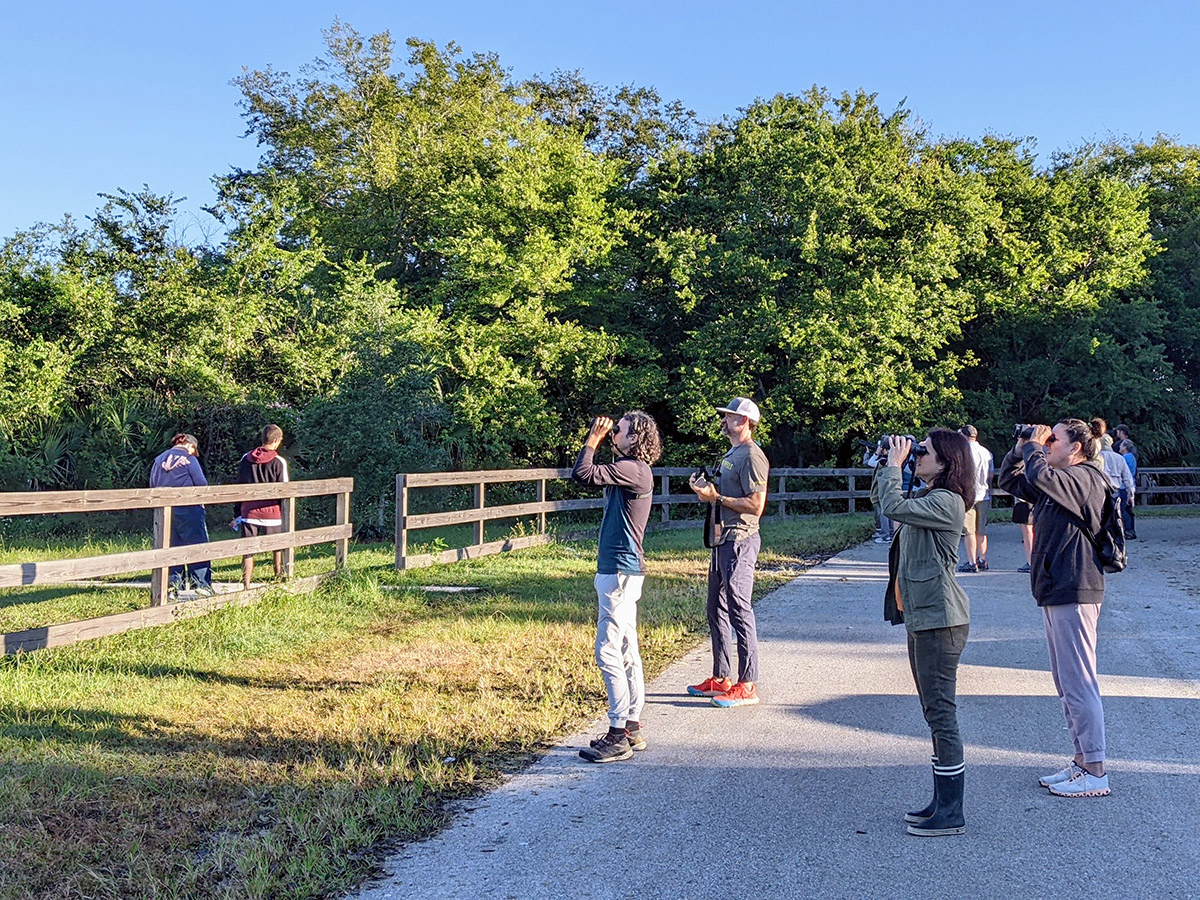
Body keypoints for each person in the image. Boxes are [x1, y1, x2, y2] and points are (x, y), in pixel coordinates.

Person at [997, 419, 1112, 798]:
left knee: (1079, 682)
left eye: (1054, 440)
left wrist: (1033, 446)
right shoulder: (1059, 482)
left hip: (1075, 588)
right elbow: (1011, 481)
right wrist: (1021, 447)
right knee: (1066, 683)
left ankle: (1096, 769)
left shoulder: (1085, 478)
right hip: (1055, 589)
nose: (1046, 445)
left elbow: (1040, 477)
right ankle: (1081, 761)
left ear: (1076, 447)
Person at [874, 430, 975, 837]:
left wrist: (895, 469)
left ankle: (952, 811)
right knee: (934, 712)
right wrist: (885, 463)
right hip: (924, 617)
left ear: (947, 462)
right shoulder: (926, 498)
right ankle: (941, 801)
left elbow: (892, 503)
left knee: (941, 713)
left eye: (925, 453)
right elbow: (882, 502)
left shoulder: (947, 502)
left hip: (941, 620)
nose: (918, 457)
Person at [571, 411, 663, 763]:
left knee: (608, 650)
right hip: (624, 570)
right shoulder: (633, 470)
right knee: (626, 650)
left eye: (620, 431)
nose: (613, 434)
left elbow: (582, 473)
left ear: (635, 438)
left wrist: (591, 440)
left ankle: (617, 733)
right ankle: (632, 726)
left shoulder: (633, 469)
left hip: (620, 571)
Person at [686, 398, 770, 708]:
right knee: (715, 608)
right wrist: (705, 491)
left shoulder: (752, 456)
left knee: (739, 609)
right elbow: (721, 496)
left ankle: (748, 684)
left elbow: (756, 506)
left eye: (730, 415)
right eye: (724, 415)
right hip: (722, 540)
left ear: (746, 421)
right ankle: (722, 678)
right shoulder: (732, 453)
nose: (724, 419)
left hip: (740, 541)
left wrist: (717, 497)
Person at [149, 433, 213, 597]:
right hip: (189, 508)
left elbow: (152, 484)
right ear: (190, 446)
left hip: (163, 511)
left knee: (171, 546)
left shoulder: (158, 460)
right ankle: (200, 584)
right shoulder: (189, 459)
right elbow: (201, 483)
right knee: (197, 544)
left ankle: (171, 587)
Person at [231, 424, 289, 590]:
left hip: (249, 511)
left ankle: (246, 585)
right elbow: (284, 490)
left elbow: (238, 487)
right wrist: (284, 514)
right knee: (277, 548)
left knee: (247, 550)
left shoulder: (245, 459)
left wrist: (237, 513)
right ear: (277, 440)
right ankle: (278, 581)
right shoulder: (279, 462)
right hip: (272, 513)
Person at [956, 425, 994, 573]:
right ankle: (982, 559)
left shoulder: (962, 452)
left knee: (969, 530)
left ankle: (972, 562)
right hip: (984, 493)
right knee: (981, 530)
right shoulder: (986, 452)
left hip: (968, 494)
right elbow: (990, 475)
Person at [1099, 441, 1135, 545]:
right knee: (1117, 512)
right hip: (1115, 489)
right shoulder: (1119, 458)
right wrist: (1131, 494)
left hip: (1100, 489)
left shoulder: (1097, 457)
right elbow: (1127, 477)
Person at [1117, 439, 1139, 539]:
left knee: (1123, 508)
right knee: (1129, 509)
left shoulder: (1124, 458)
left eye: (1121, 445)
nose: (1119, 447)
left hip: (1124, 486)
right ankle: (1131, 529)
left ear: (1125, 447)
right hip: (1131, 485)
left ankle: (1127, 530)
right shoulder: (1132, 457)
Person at [1012, 497, 1035, 572]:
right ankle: (1030, 561)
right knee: (1026, 530)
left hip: (1030, 497)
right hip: (1023, 498)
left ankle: (1032, 562)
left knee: (1029, 530)